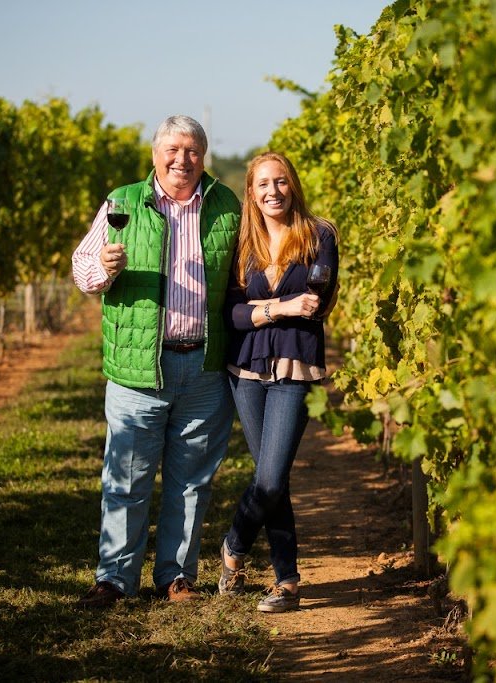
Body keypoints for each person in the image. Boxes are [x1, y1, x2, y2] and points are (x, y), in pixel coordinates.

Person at [71, 115, 241, 608]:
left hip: (203, 367)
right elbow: (82, 269)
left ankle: (176, 577)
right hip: (138, 368)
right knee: (126, 479)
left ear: (203, 157)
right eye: (172, 149)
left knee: (191, 483)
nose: (181, 159)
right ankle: (114, 579)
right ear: (155, 155)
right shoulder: (122, 202)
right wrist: (102, 269)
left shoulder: (226, 205)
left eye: (192, 151)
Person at [216, 151, 339, 613]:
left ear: (293, 186)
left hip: (294, 368)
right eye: (264, 184)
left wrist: (259, 311)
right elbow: (230, 314)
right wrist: (282, 308)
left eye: (281, 181)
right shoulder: (242, 244)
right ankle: (287, 581)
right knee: (275, 478)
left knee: (268, 479)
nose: (274, 191)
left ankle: (233, 546)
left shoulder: (319, 235)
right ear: (251, 192)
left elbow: (317, 300)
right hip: (245, 371)